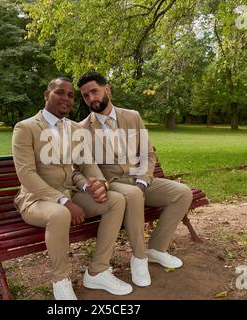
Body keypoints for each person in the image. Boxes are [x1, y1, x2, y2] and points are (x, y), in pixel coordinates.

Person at [12, 77, 133, 300]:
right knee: (59, 215)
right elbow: (26, 174)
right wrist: (63, 202)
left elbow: (85, 163)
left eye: (70, 95)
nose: (67, 99)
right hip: (36, 199)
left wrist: (98, 184)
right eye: (60, 92)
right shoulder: (26, 128)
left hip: (71, 193)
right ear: (47, 95)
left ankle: (98, 271)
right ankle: (61, 281)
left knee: (116, 200)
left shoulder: (74, 128)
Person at [76, 71, 193, 287]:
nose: (91, 98)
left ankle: (156, 248)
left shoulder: (132, 116)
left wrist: (143, 179)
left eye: (94, 91)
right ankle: (139, 258)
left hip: (140, 180)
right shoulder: (82, 129)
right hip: (114, 185)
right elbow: (86, 166)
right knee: (133, 194)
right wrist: (104, 184)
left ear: (107, 89)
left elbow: (148, 153)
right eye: (85, 96)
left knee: (182, 193)